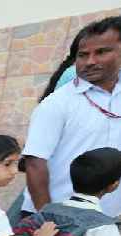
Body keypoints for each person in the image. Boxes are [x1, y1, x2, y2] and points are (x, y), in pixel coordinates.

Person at [22, 18, 121, 217]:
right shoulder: (57, 103)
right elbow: (34, 163)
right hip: (59, 218)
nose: (90, 61)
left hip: (107, 219)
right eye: (83, 55)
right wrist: (47, 219)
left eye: (101, 52)